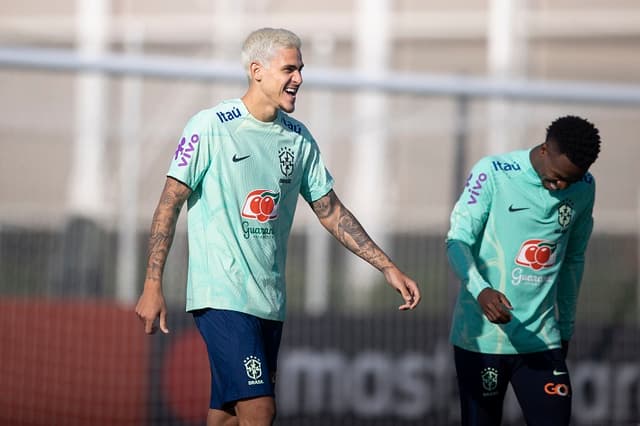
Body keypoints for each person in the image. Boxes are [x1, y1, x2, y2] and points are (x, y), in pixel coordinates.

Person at [135, 27, 421, 426]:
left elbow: (331, 211)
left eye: (301, 69)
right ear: (256, 71)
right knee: (261, 411)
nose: (299, 79)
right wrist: (152, 284)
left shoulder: (299, 139)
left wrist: (387, 265)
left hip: (269, 303)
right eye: (289, 69)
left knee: (228, 417)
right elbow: (169, 204)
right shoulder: (210, 126)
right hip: (222, 297)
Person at [446, 115, 601, 426]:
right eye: (556, 177)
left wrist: (566, 327)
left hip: (543, 339)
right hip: (482, 340)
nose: (560, 187)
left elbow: (573, 259)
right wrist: (481, 291)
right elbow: (457, 241)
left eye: (568, 181)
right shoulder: (493, 172)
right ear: (544, 150)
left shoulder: (584, 187)